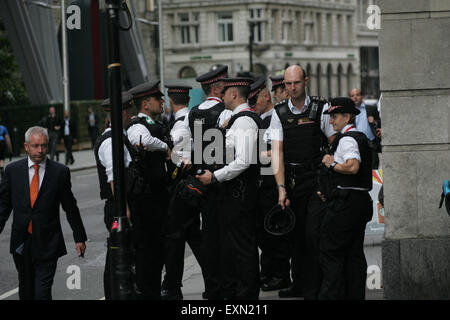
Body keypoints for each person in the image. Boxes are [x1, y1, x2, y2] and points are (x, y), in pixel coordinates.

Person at [269, 65, 336, 299]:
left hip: (316, 179)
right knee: (295, 236)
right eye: (287, 84)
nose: (291, 88)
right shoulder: (279, 112)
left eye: (296, 83)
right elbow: (277, 153)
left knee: (312, 235)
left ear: (305, 81)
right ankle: (299, 284)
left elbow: (334, 141)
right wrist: (281, 188)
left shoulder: (321, 107)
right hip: (293, 180)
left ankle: (313, 288)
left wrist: (330, 173)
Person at [0, 126, 87, 300]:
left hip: (48, 243)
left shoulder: (60, 172)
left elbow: (70, 207)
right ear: (26, 146)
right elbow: (3, 206)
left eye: (44, 146)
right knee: (26, 290)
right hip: (21, 243)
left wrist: (79, 237)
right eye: (35, 146)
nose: (40, 150)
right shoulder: (12, 171)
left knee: (42, 292)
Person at [196, 77, 261, 300]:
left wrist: (215, 176)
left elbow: (243, 161)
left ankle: (247, 296)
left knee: (243, 249)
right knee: (235, 247)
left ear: (234, 94)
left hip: (239, 194)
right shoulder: (237, 119)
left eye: (224, 93)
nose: (221, 97)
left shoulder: (244, 121)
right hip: (236, 193)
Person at [182, 66, 232, 299]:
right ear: (218, 86)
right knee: (227, 236)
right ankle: (227, 284)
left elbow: (186, 147)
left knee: (209, 235)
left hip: (202, 180)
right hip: (223, 180)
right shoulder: (224, 112)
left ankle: (212, 286)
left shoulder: (192, 113)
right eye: (225, 84)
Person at [318, 97, 373, 300]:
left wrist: (331, 164)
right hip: (357, 202)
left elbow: (352, 166)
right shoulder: (358, 138)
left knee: (330, 252)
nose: (331, 121)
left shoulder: (348, 139)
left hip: (345, 206)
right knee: (353, 255)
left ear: (347, 117)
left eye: (334, 116)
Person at [127, 80, 171, 300]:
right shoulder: (137, 125)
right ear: (145, 104)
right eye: (157, 98)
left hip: (159, 199)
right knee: (148, 251)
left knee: (158, 250)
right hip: (147, 202)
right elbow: (140, 140)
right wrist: (165, 147)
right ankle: (147, 292)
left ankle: (152, 290)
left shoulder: (154, 123)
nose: (162, 101)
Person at [160, 84, 205, 300]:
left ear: (170, 101)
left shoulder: (179, 127)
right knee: (195, 237)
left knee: (176, 238)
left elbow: (180, 163)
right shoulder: (195, 119)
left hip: (182, 190)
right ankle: (216, 279)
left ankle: (172, 286)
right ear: (188, 99)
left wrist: (170, 160)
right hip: (194, 188)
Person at [248, 78, 292, 292]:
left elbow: (275, 152)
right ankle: (268, 272)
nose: (252, 105)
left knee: (277, 231)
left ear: (264, 96)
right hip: (263, 183)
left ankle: (280, 274)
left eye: (254, 100)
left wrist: (251, 155)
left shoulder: (275, 119)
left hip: (274, 182)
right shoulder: (259, 121)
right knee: (265, 232)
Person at [93, 92, 135, 300]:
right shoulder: (111, 142)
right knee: (117, 257)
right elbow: (115, 178)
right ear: (124, 113)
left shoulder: (118, 138)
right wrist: (124, 209)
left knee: (121, 256)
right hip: (118, 206)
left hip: (119, 205)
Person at [349, 89, 380, 169]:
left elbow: (380, 122)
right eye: (352, 96)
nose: (355, 97)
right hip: (355, 145)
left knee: (374, 171)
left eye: (357, 95)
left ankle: (375, 182)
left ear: (361, 96)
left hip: (371, 145)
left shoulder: (371, 108)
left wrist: (374, 122)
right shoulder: (349, 112)